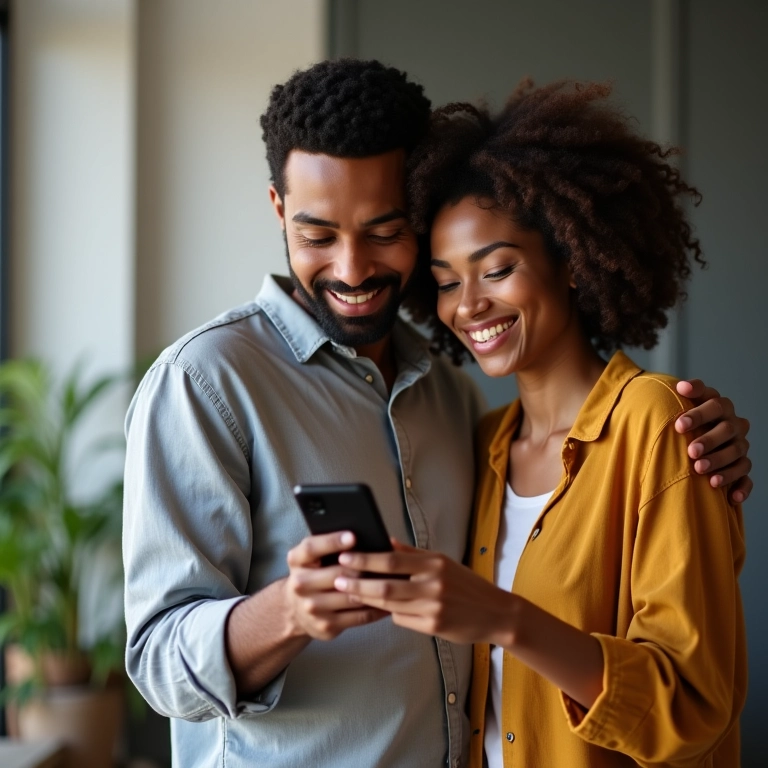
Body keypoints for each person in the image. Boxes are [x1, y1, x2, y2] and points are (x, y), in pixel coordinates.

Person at [123, 61, 751, 768]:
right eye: (319, 235)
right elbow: (155, 661)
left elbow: (687, 698)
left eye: (384, 230)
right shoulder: (206, 382)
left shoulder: (453, 402)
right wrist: (291, 610)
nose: (353, 269)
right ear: (278, 209)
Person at [334, 80, 747, 767]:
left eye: (497, 269)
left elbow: (692, 703)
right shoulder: (486, 444)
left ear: (573, 265)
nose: (468, 306)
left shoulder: (658, 426)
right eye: (444, 280)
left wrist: (501, 617)